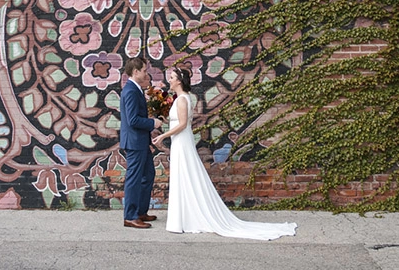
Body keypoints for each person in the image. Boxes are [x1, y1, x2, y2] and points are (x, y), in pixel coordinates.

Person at [152, 66, 297, 240]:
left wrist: (163, 137)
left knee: (185, 174)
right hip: (179, 141)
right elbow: (176, 121)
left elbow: (182, 124)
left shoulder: (183, 100)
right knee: (183, 176)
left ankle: (186, 218)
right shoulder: (179, 99)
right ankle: (183, 218)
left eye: (173, 77)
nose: (170, 80)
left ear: (180, 81)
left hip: (182, 141)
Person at [119, 57, 162, 228]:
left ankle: (141, 211)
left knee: (148, 175)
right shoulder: (130, 91)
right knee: (134, 179)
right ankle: (130, 216)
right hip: (134, 143)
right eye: (144, 70)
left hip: (141, 142)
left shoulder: (135, 89)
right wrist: (153, 123)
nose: (146, 73)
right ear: (135, 72)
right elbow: (133, 120)